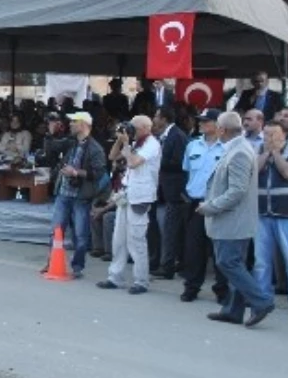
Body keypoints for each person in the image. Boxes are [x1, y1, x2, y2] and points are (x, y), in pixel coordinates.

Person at [198, 112, 275, 327]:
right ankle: (233, 310)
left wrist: (210, 207)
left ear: (222, 130)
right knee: (235, 263)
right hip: (233, 219)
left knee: (228, 262)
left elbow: (237, 191)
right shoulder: (237, 148)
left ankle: (261, 301)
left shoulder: (239, 152)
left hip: (233, 220)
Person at [252, 121, 288, 316]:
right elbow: (253, 173)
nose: (268, 139)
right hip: (262, 212)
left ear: (283, 136)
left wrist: (276, 153)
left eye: (273, 135)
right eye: (266, 135)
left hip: (287, 212)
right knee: (261, 260)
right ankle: (262, 298)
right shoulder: (258, 150)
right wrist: (266, 153)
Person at [98, 115, 161, 294]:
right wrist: (120, 140)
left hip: (141, 197)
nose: (130, 131)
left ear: (144, 128)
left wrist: (126, 143)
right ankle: (115, 277)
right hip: (126, 194)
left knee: (136, 240)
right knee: (119, 239)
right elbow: (112, 156)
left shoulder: (151, 144)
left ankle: (141, 281)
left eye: (133, 128)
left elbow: (133, 163)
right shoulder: (135, 143)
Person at [40, 112, 107, 279]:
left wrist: (76, 172)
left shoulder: (95, 148)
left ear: (83, 124)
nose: (70, 124)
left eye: (73, 122)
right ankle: (52, 262)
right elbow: (51, 149)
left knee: (81, 234)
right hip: (64, 193)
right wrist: (50, 133)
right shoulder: (71, 142)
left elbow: (98, 173)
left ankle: (77, 266)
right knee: (56, 229)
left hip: (81, 196)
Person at [179, 109, 229, 304]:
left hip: (217, 204)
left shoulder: (226, 148)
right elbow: (187, 171)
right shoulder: (192, 145)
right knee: (194, 249)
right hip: (196, 203)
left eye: (206, 121)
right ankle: (192, 286)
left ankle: (222, 289)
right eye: (200, 120)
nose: (201, 123)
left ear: (218, 124)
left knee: (218, 249)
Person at [153, 106, 189, 280]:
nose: (154, 119)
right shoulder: (165, 136)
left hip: (175, 190)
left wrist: (158, 162)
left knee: (171, 228)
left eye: (156, 116)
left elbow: (181, 163)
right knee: (168, 228)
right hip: (165, 190)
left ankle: (168, 265)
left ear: (164, 118)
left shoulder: (177, 136)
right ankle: (168, 262)